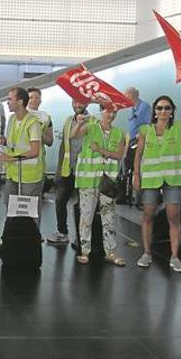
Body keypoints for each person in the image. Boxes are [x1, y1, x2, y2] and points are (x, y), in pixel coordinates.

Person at [133, 88, 181, 272]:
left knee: (174, 216)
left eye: (167, 108)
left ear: (172, 111)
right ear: (154, 111)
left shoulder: (177, 127)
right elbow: (138, 153)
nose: (163, 111)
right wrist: (136, 175)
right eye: (160, 108)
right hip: (150, 178)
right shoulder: (145, 130)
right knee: (148, 215)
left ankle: (174, 256)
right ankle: (146, 253)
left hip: (173, 178)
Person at [71, 104, 127, 265]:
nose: (111, 114)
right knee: (86, 216)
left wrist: (102, 150)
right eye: (109, 111)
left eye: (114, 111)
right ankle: (85, 251)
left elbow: (118, 155)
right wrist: (79, 123)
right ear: (102, 111)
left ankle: (110, 251)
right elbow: (73, 136)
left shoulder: (119, 133)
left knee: (108, 216)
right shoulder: (91, 127)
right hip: (88, 179)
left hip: (107, 181)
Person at [0, 88, 44, 226]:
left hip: (30, 176)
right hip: (13, 173)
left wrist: (10, 158)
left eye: (10, 99)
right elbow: (12, 141)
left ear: (20, 102)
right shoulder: (11, 119)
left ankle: (32, 241)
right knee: (11, 207)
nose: (7, 102)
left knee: (30, 210)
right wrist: (2, 140)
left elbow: (35, 150)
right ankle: (14, 239)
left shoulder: (33, 123)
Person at [47, 99, 89, 246]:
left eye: (81, 102)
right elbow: (63, 146)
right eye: (75, 102)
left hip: (84, 171)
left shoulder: (93, 122)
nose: (78, 104)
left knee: (81, 205)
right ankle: (62, 232)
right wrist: (59, 169)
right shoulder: (67, 121)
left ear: (87, 103)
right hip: (67, 169)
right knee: (60, 200)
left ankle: (80, 237)